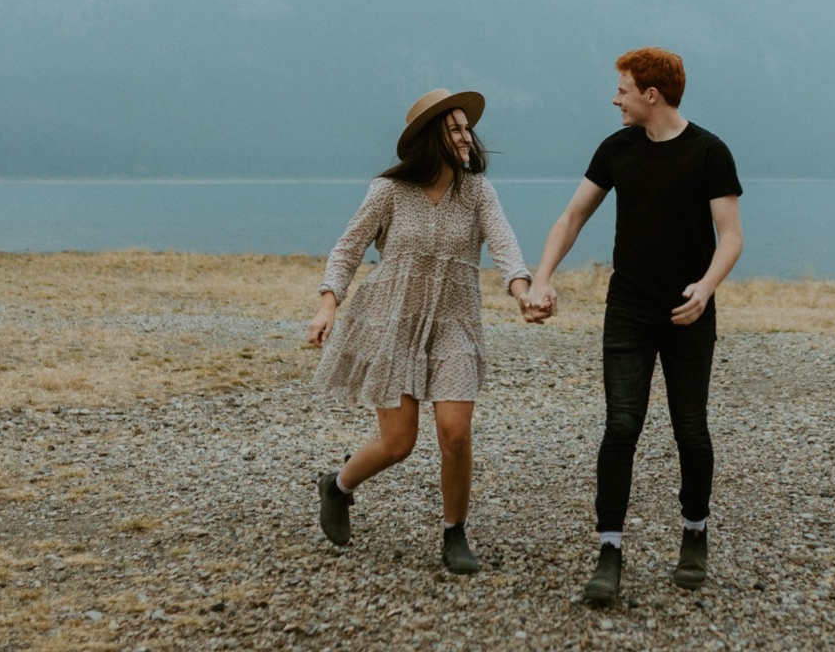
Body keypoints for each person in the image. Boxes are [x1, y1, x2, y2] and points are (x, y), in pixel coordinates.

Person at [525, 48, 742, 605]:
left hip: (687, 312)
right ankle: (610, 550)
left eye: (622, 89)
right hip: (628, 310)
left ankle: (695, 532)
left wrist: (706, 286)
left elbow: (731, 236)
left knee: (689, 428)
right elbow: (572, 217)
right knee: (621, 426)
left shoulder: (709, 152)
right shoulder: (616, 149)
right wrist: (542, 277)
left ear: (652, 95)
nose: (614, 98)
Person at [307, 88, 538, 574]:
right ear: (433, 137)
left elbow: (505, 245)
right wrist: (328, 305)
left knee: (455, 434)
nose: (465, 136)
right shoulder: (388, 191)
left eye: (465, 127)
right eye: (454, 128)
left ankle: (454, 532)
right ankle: (338, 485)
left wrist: (521, 290)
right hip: (392, 322)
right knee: (399, 442)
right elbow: (347, 249)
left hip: (455, 324)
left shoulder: (477, 192)